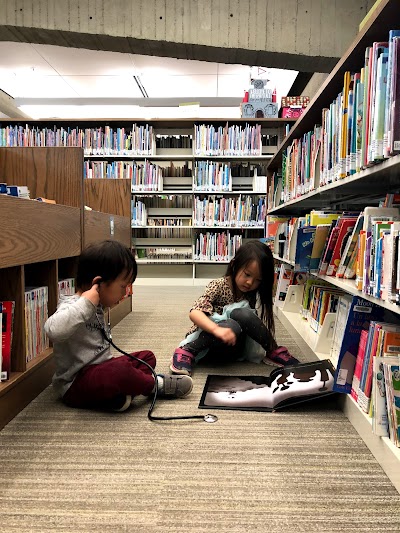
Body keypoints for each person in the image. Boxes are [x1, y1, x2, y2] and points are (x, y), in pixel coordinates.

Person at [45, 240, 193, 412]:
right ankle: (155, 385)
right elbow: (52, 330)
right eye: (123, 286)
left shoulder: (98, 306)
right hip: (75, 383)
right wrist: (85, 304)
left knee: (147, 357)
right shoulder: (75, 305)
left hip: (102, 371)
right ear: (98, 283)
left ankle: (120, 394)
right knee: (120, 371)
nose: (125, 292)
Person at [170, 240, 299, 377]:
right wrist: (217, 330)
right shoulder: (218, 285)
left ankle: (273, 350)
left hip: (233, 350)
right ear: (234, 265)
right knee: (233, 323)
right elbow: (195, 312)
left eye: (258, 280)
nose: (250, 283)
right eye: (247, 275)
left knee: (243, 314)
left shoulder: (250, 293)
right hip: (207, 347)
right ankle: (187, 351)